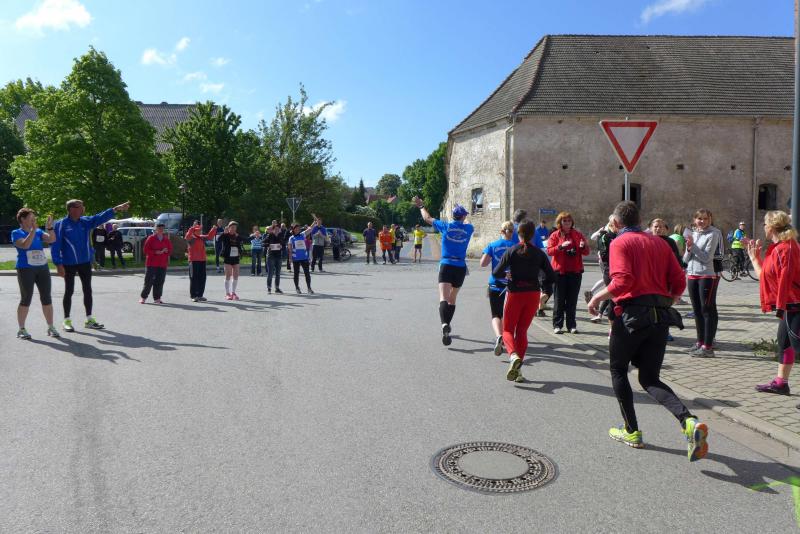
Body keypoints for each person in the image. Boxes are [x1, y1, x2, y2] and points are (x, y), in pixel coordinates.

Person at [588, 201, 708, 461]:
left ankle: (631, 431)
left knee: (618, 369)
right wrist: (667, 299)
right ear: (640, 221)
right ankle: (688, 421)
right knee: (650, 378)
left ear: (616, 223)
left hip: (631, 316)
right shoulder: (660, 243)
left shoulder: (620, 242)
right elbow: (679, 280)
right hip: (660, 318)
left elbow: (623, 281)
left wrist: (596, 297)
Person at [51, 199, 130, 332]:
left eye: (83, 206)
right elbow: (55, 245)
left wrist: (115, 209)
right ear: (72, 209)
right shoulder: (61, 224)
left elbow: (100, 217)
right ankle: (66, 320)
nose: (83, 209)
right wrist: (58, 264)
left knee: (87, 290)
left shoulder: (85, 221)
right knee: (69, 291)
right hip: (68, 263)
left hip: (85, 262)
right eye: (80, 207)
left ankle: (89, 319)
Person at [493, 220, 556, 382]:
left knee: (508, 330)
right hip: (533, 294)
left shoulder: (512, 250)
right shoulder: (539, 253)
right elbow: (551, 276)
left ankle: (513, 356)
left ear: (518, 233)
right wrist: (543, 286)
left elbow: (496, 272)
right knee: (521, 331)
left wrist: (506, 274)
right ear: (533, 234)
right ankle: (518, 372)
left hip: (515, 293)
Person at [748, 211, 800, 397]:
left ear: (771, 227)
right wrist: (755, 259)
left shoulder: (787, 248)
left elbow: (786, 279)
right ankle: (781, 383)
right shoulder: (778, 248)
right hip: (790, 305)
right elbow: (766, 277)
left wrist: (781, 305)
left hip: (796, 304)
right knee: (784, 342)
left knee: (797, 346)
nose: (763, 227)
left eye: (765, 224)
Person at [413, 196, 474, 346]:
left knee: (443, 298)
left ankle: (444, 324)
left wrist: (421, 206)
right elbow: (467, 222)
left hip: (446, 264)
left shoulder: (445, 226)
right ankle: (447, 325)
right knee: (452, 299)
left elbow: (427, 218)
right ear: (463, 216)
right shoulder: (469, 228)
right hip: (460, 267)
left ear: (453, 216)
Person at [13, 208, 59, 339]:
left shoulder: (38, 231)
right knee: (26, 298)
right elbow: (25, 245)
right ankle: (22, 329)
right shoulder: (16, 232)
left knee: (46, 297)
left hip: (42, 267)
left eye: (34, 218)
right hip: (25, 268)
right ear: (23, 219)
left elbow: (52, 239)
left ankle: (51, 326)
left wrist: (49, 228)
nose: (34, 220)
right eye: (31, 218)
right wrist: (32, 231)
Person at [683, 209, 721, 357]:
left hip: (707, 275)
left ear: (710, 219)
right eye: (699, 218)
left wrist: (693, 247)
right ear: (695, 219)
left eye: (706, 219)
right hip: (692, 274)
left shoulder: (714, 233)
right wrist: (688, 248)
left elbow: (706, 258)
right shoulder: (692, 233)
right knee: (697, 310)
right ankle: (700, 342)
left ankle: (708, 347)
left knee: (707, 310)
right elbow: (686, 259)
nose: (702, 221)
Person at [546, 211, 590, 334]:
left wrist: (582, 246)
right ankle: (557, 325)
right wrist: (561, 246)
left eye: (569, 221)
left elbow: (586, 252)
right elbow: (549, 251)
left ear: (572, 222)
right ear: (560, 222)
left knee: (572, 300)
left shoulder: (577, 234)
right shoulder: (555, 235)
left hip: (575, 271)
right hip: (560, 272)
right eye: (564, 221)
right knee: (559, 300)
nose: (567, 223)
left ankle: (571, 325)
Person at [480, 221, 517, 356]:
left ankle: (498, 336)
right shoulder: (516, 246)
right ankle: (507, 338)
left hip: (495, 284)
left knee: (496, 314)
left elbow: (483, 263)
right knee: (508, 315)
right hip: (511, 286)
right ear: (512, 232)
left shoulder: (493, 245)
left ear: (501, 231)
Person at [139, 222, 173, 304]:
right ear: (156, 229)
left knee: (160, 281)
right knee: (148, 281)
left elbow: (170, 250)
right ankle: (143, 297)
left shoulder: (166, 239)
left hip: (162, 264)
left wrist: (166, 251)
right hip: (151, 263)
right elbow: (145, 250)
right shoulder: (151, 238)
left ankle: (157, 298)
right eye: (159, 228)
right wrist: (155, 252)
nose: (161, 230)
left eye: (162, 228)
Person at [185, 220, 217, 302]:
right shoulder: (191, 238)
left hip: (202, 260)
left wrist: (213, 229)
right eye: (197, 230)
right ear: (194, 231)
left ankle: (200, 295)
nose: (199, 231)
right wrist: (192, 227)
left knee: (202, 278)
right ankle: (193, 296)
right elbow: (187, 236)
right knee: (194, 278)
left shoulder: (201, 237)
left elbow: (210, 237)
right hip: (193, 260)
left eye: (200, 230)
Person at [288, 222, 316, 294]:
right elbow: (290, 249)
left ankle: (309, 288)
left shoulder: (302, 234)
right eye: (296, 229)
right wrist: (290, 258)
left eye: (299, 228)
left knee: (307, 273)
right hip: (296, 258)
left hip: (304, 257)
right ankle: (297, 288)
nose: (298, 229)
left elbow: (310, 229)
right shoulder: (291, 238)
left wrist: (314, 222)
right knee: (296, 274)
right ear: (293, 230)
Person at [220, 221, 243, 300]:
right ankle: (227, 293)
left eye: (235, 227)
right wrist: (224, 233)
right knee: (228, 275)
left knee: (236, 275)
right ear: (229, 228)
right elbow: (218, 240)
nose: (234, 229)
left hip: (236, 257)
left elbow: (244, 239)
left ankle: (233, 293)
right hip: (227, 258)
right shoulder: (225, 235)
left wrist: (253, 236)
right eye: (232, 227)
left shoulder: (237, 236)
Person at [264, 222, 284, 294]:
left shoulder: (281, 235)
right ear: (273, 230)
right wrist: (269, 245)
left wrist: (281, 246)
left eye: (278, 229)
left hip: (278, 256)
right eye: (275, 229)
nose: (277, 230)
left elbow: (283, 244)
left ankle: (277, 288)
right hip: (271, 256)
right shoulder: (270, 235)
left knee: (278, 273)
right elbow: (263, 243)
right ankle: (269, 288)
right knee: (270, 273)